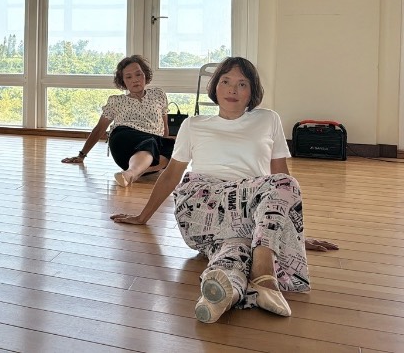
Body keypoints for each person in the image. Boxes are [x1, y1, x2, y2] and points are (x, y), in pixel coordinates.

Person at [110, 57, 338, 323]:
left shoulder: (268, 119)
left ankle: (225, 294)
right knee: (282, 188)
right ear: (215, 86)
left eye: (242, 84)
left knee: (237, 247)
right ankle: (264, 274)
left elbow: (279, 175)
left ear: (252, 91)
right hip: (202, 206)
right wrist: (142, 217)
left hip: (248, 214)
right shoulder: (194, 125)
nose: (233, 89)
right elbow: (171, 175)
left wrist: (289, 231)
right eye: (226, 81)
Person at [62, 55, 174, 187]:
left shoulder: (158, 94)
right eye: (128, 77)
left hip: (152, 144)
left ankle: (130, 174)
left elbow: (164, 127)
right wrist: (82, 155)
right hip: (124, 138)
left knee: (173, 146)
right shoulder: (116, 101)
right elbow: (99, 129)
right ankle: (133, 172)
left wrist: (165, 147)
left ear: (145, 75)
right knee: (150, 142)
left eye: (138, 74)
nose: (135, 80)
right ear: (123, 81)